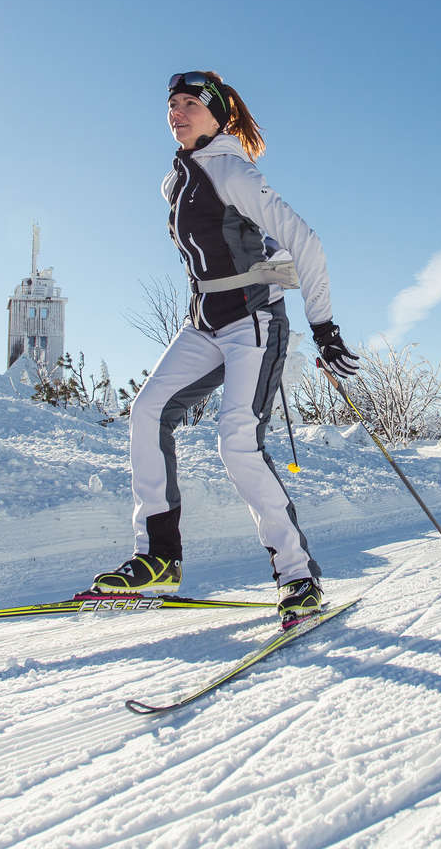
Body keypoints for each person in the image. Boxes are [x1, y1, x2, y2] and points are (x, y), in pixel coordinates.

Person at [91, 70, 359, 623]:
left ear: (218, 114)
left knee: (236, 444)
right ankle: (159, 556)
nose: (177, 112)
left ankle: (297, 575)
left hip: (252, 322)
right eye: (172, 104)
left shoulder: (232, 170)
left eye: (191, 103)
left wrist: (324, 326)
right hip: (203, 323)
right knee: (146, 412)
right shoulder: (177, 181)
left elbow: (305, 241)